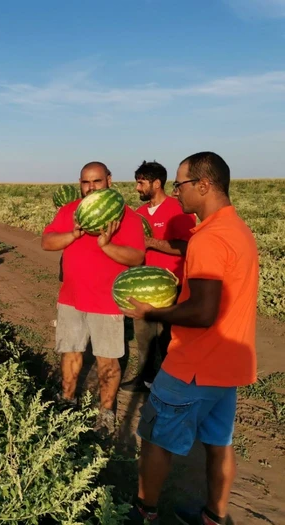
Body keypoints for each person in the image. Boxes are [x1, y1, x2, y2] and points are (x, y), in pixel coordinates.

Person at [123, 152, 258, 525]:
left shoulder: (210, 239)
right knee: (219, 445)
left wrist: (151, 312)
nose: (177, 192)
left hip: (194, 365)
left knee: (154, 439)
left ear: (203, 185)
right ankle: (213, 517)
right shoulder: (238, 229)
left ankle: (143, 512)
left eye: (181, 184)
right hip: (230, 363)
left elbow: (202, 312)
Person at [41, 162, 145, 432]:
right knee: (70, 351)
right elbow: (47, 242)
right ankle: (67, 398)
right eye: (85, 182)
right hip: (71, 298)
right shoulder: (70, 211)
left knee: (107, 360)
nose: (90, 187)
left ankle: (106, 412)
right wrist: (73, 234)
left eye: (96, 181)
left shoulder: (126, 217)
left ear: (109, 180)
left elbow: (137, 257)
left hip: (106, 302)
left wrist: (107, 245)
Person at [120, 161, 196, 393]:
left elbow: (187, 247)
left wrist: (151, 242)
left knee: (168, 340)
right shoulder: (140, 214)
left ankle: (172, 384)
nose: (137, 188)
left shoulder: (178, 210)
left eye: (141, 183)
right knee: (144, 339)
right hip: (143, 288)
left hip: (170, 287)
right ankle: (145, 378)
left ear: (156, 183)